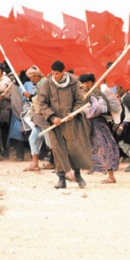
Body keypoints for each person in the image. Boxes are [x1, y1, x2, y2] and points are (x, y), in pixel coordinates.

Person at [38, 60, 92, 189]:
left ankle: (78, 175)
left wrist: (73, 113)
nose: (54, 76)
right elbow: (42, 104)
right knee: (58, 150)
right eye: (52, 73)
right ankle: (61, 179)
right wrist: (52, 117)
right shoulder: (47, 84)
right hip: (56, 124)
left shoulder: (74, 82)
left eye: (56, 73)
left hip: (72, 123)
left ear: (63, 72)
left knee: (74, 149)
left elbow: (80, 100)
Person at [80, 73, 120, 183]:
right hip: (90, 124)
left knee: (105, 147)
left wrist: (85, 111)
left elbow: (99, 109)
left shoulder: (96, 94)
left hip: (98, 123)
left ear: (89, 83)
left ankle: (111, 176)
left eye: (83, 83)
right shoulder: (88, 93)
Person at [22, 65, 53, 171]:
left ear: (36, 76)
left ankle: (58, 164)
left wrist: (29, 96)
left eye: (32, 78)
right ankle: (35, 164)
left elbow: (42, 99)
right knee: (33, 138)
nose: (31, 80)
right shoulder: (40, 84)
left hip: (45, 119)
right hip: (38, 119)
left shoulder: (44, 83)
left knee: (51, 143)